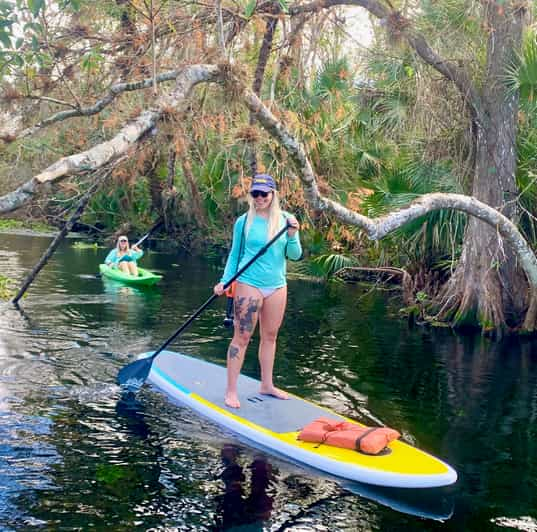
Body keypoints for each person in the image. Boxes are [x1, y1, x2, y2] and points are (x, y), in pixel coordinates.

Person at [213, 174, 302, 408]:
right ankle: (231, 391)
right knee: (241, 337)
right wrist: (224, 281)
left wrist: (292, 236)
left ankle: (267, 385)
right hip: (248, 283)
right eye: (256, 194)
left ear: (273, 195)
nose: (260, 198)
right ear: (251, 196)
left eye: (264, 194)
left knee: (270, 337)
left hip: (277, 286)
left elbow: (295, 255)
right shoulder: (243, 222)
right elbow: (235, 254)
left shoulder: (287, 220)